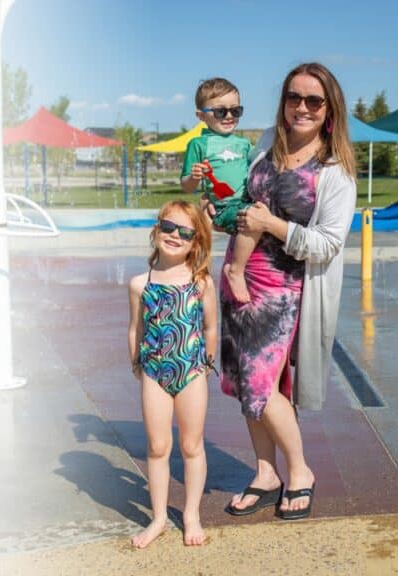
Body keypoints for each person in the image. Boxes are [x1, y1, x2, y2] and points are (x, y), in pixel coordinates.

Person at [204, 62, 356, 520]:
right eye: (295, 97)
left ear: (329, 109)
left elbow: (328, 243)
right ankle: (266, 473)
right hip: (240, 273)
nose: (302, 107)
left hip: (285, 290)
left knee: (260, 382)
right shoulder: (267, 143)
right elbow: (249, 203)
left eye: (313, 100)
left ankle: (301, 471)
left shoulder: (335, 171)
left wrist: (273, 224)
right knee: (241, 382)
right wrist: (224, 212)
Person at [127, 200, 218, 548]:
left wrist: (206, 364)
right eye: (168, 227)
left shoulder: (200, 283)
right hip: (154, 372)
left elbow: (211, 327)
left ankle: (191, 514)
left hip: (192, 371)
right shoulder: (140, 284)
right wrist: (137, 364)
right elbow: (135, 329)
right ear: (156, 230)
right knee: (157, 446)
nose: (174, 236)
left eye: (184, 232)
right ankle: (160, 518)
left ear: (195, 242)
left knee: (192, 445)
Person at [180, 77, 258, 304]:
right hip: (224, 206)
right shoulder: (199, 144)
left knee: (258, 213)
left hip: (245, 200)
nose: (229, 116)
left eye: (236, 110)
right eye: (220, 112)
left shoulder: (243, 144)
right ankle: (236, 270)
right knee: (251, 218)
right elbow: (186, 186)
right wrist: (193, 178)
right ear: (201, 115)